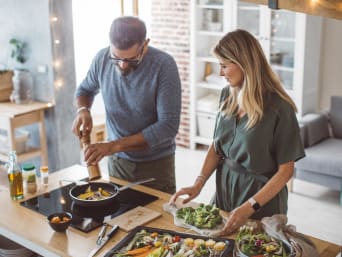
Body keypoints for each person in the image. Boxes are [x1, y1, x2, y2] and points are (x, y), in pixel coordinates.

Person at [170, 29, 305, 235]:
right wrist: (198, 183)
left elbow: (286, 171)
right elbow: (216, 147)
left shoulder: (280, 109)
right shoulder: (227, 95)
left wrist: (250, 206)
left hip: (261, 201)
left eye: (224, 66)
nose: (220, 73)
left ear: (244, 63)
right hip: (225, 191)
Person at [72, 16, 181, 194]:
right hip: (118, 163)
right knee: (119, 218)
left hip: (155, 166)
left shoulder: (164, 66)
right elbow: (84, 90)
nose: (122, 65)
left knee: (157, 221)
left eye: (131, 59)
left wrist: (112, 146)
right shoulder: (102, 59)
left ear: (145, 44)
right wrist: (83, 110)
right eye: (117, 58)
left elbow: (167, 127)